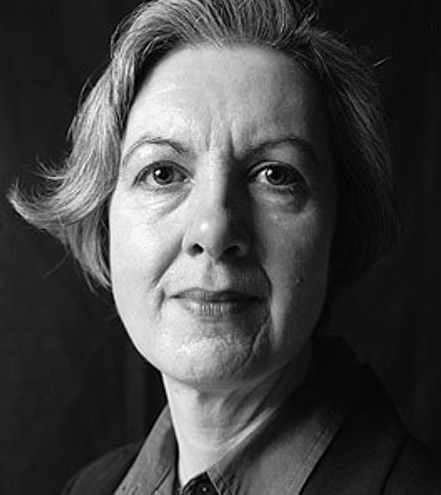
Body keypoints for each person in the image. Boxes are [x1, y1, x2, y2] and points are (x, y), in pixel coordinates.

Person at [8, 0, 441, 493]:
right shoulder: (88, 488)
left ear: (341, 229)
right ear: (104, 224)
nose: (214, 231)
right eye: (162, 173)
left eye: (275, 175)